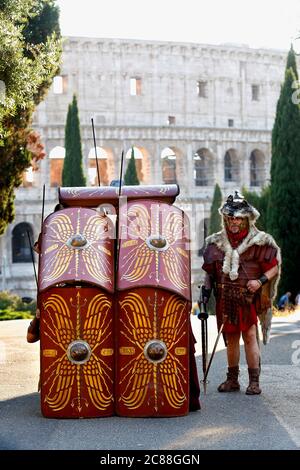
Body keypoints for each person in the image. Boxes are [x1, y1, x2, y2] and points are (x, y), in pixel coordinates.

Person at [202, 192, 280, 395]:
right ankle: (232, 379)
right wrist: (206, 291)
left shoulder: (260, 241)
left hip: (247, 297)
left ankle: (254, 381)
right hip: (226, 297)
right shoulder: (216, 242)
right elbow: (210, 273)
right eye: (230, 217)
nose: (233, 221)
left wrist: (260, 281)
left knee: (250, 335)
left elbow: (273, 268)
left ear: (246, 219)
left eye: (237, 217)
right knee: (231, 337)